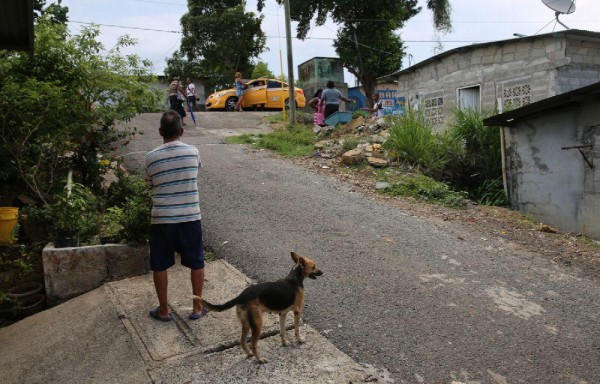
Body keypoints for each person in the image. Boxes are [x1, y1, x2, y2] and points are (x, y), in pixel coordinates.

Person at [144, 110, 206, 322]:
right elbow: (194, 173)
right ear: (181, 131)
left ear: (160, 131)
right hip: (190, 216)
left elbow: (150, 183)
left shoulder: (150, 158)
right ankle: (197, 308)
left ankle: (164, 311)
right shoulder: (193, 152)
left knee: (160, 264)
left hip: (162, 219)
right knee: (196, 262)